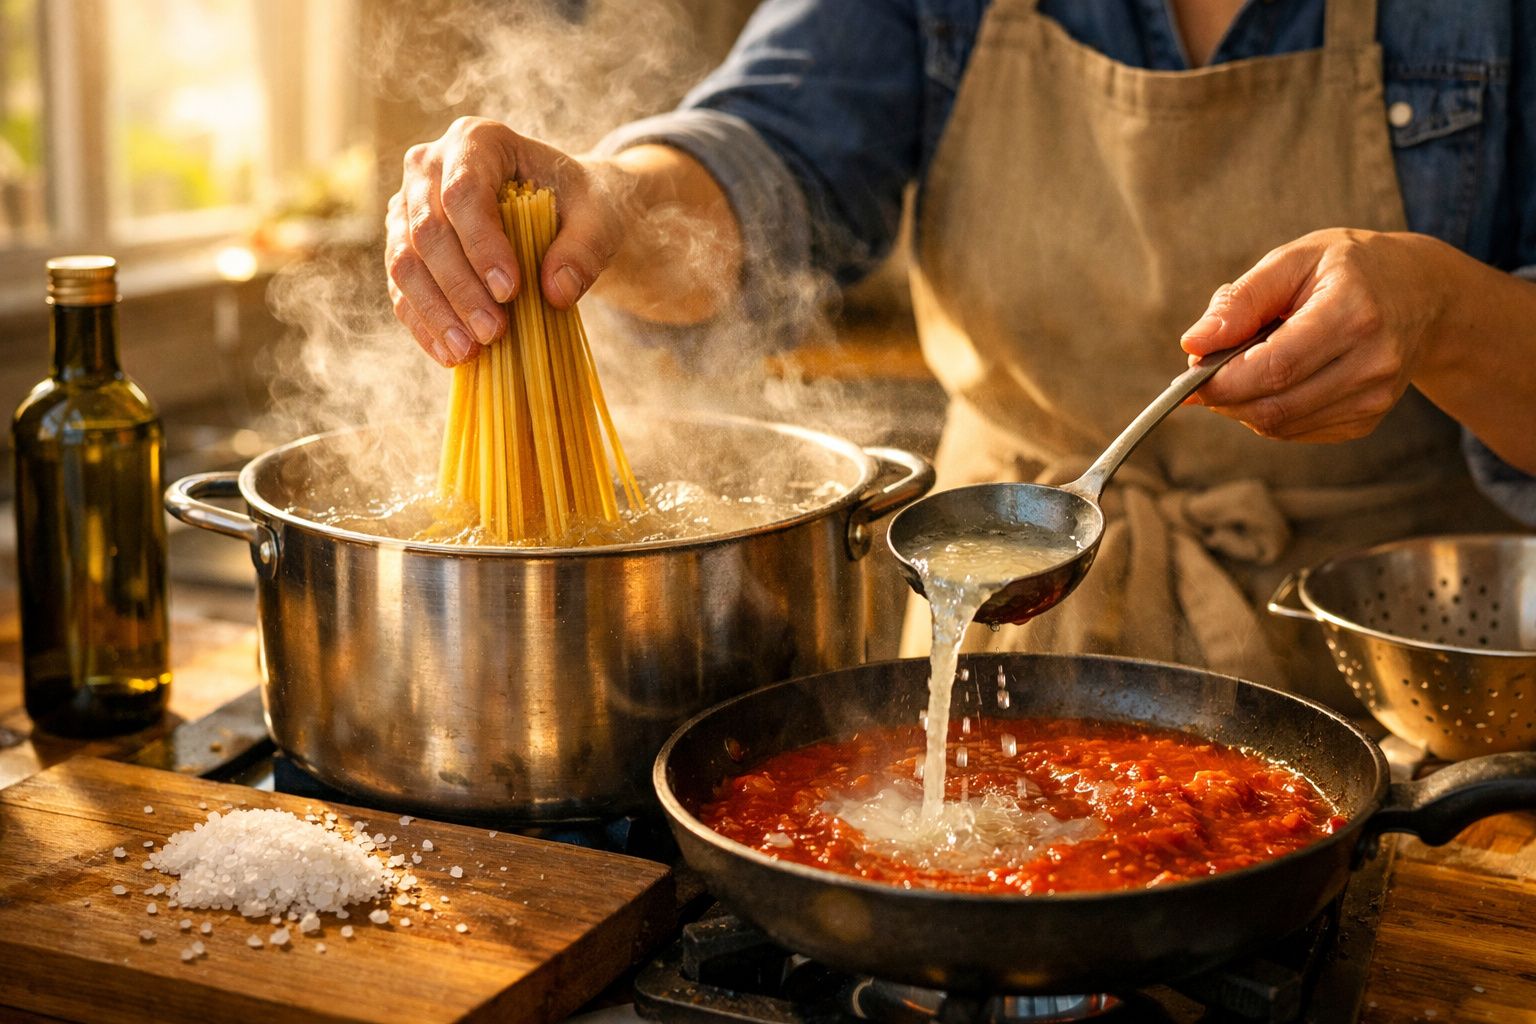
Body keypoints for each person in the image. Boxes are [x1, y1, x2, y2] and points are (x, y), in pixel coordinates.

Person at [383, 0, 1536, 700]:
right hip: (996, 616)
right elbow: (771, 159)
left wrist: (1440, 309)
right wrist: (613, 201)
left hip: (1401, 688)